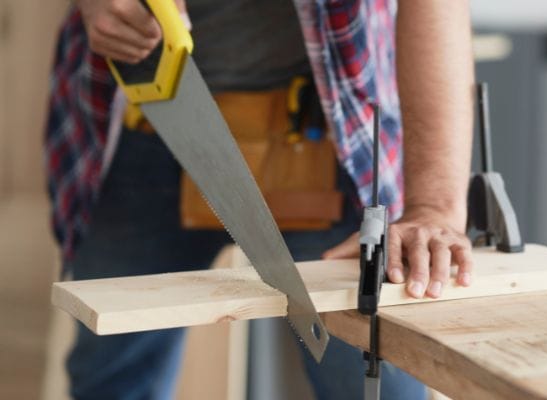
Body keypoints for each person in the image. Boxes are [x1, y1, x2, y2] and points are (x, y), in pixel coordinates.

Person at [45, 0, 475, 398]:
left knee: (371, 385)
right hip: (140, 117)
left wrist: (433, 206)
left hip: (330, 134)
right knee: (112, 381)